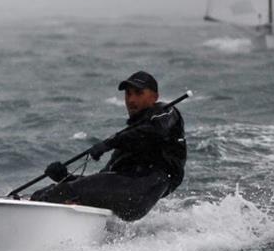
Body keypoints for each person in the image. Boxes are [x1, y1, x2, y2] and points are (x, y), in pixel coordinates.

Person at [31, 71, 186, 221]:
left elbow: (155, 131)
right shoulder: (128, 138)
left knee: (61, 193)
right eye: (128, 94)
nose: (131, 100)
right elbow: (104, 178)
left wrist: (109, 143)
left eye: (138, 93)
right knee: (43, 193)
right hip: (126, 191)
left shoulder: (166, 112)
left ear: (154, 97)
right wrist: (65, 177)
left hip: (141, 192)